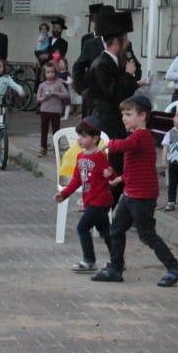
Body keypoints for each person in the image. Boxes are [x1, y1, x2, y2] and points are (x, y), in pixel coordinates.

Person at [91, 93, 178, 287]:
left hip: (142, 197)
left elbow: (126, 145)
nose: (124, 118)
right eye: (123, 114)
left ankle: (174, 268)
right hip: (131, 194)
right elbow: (138, 168)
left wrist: (108, 144)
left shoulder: (142, 136)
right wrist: (121, 178)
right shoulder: (136, 137)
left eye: (128, 114)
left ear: (142, 116)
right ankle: (116, 269)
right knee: (116, 230)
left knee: (147, 235)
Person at [54, 116, 113, 273]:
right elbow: (76, 180)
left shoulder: (100, 157)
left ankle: (89, 260)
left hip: (101, 200)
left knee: (82, 227)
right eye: (79, 135)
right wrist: (64, 194)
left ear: (95, 139)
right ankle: (117, 258)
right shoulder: (80, 157)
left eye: (83, 136)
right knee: (105, 231)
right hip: (90, 200)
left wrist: (109, 175)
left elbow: (111, 175)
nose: (79, 139)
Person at [84, 9, 139, 177]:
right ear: (116, 41)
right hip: (108, 121)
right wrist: (128, 75)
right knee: (113, 164)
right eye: (125, 40)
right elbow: (115, 93)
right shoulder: (101, 64)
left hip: (116, 120)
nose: (127, 44)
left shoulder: (116, 62)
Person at [72, 2, 113, 116]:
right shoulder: (90, 42)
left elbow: (134, 66)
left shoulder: (122, 43)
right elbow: (79, 66)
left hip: (114, 95)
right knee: (91, 127)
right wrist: (82, 89)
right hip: (94, 92)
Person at [35, 60, 69, 155]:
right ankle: (43, 147)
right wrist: (44, 98)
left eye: (52, 72)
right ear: (44, 73)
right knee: (44, 130)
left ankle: (56, 147)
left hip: (56, 111)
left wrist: (56, 93)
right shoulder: (42, 85)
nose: (50, 74)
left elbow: (66, 94)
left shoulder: (58, 83)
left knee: (56, 130)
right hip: (45, 110)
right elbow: (38, 99)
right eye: (48, 72)